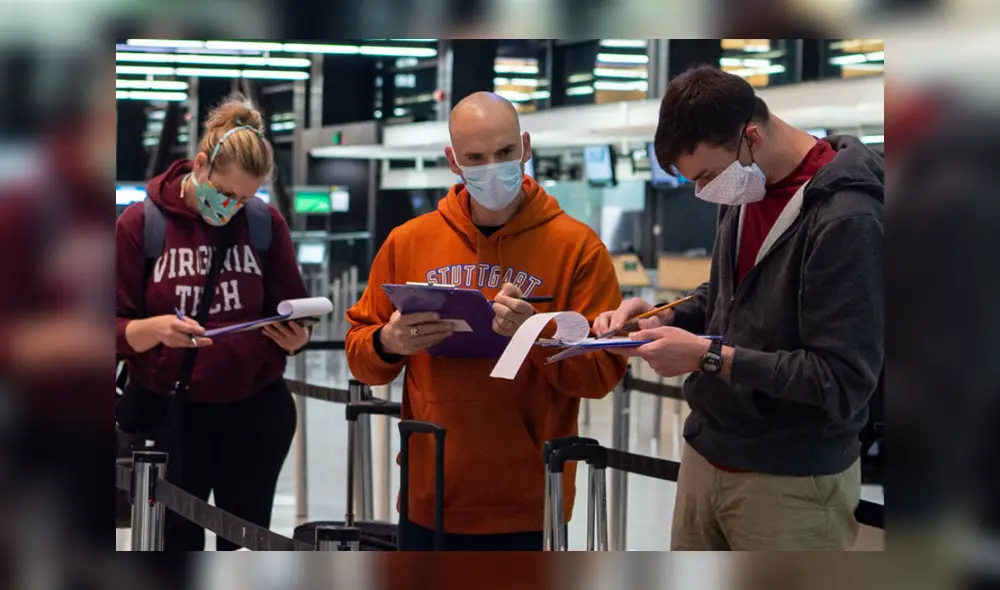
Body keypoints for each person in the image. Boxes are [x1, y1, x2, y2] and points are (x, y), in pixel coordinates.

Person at [593, 66, 884, 550]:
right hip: (708, 452)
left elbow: (841, 377)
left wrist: (708, 357)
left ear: (750, 136)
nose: (703, 191)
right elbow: (729, 296)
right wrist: (664, 316)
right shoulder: (745, 187)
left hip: (790, 480)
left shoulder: (847, 217)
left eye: (706, 175)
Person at [346, 91, 627, 551]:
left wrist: (536, 334)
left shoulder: (578, 249)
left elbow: (600, 374)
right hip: (429, 495)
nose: (492, 168)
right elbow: (360, 357)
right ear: (453, 161)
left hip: (530, 500)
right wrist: (389, 341)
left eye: (505, 152)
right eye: (475, 158)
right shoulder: (408, 243)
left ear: (527, 147)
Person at [115, 96, 310, 551]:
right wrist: (157, 329)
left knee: (245, 548)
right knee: (174, 542)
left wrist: (297, 338)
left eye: (246, 198)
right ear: (200, 166)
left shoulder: (264, 223)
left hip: (254, 411)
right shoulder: (141, 224)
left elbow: (292, 307)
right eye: (225, 194)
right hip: (171, 414)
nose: (233, 207)